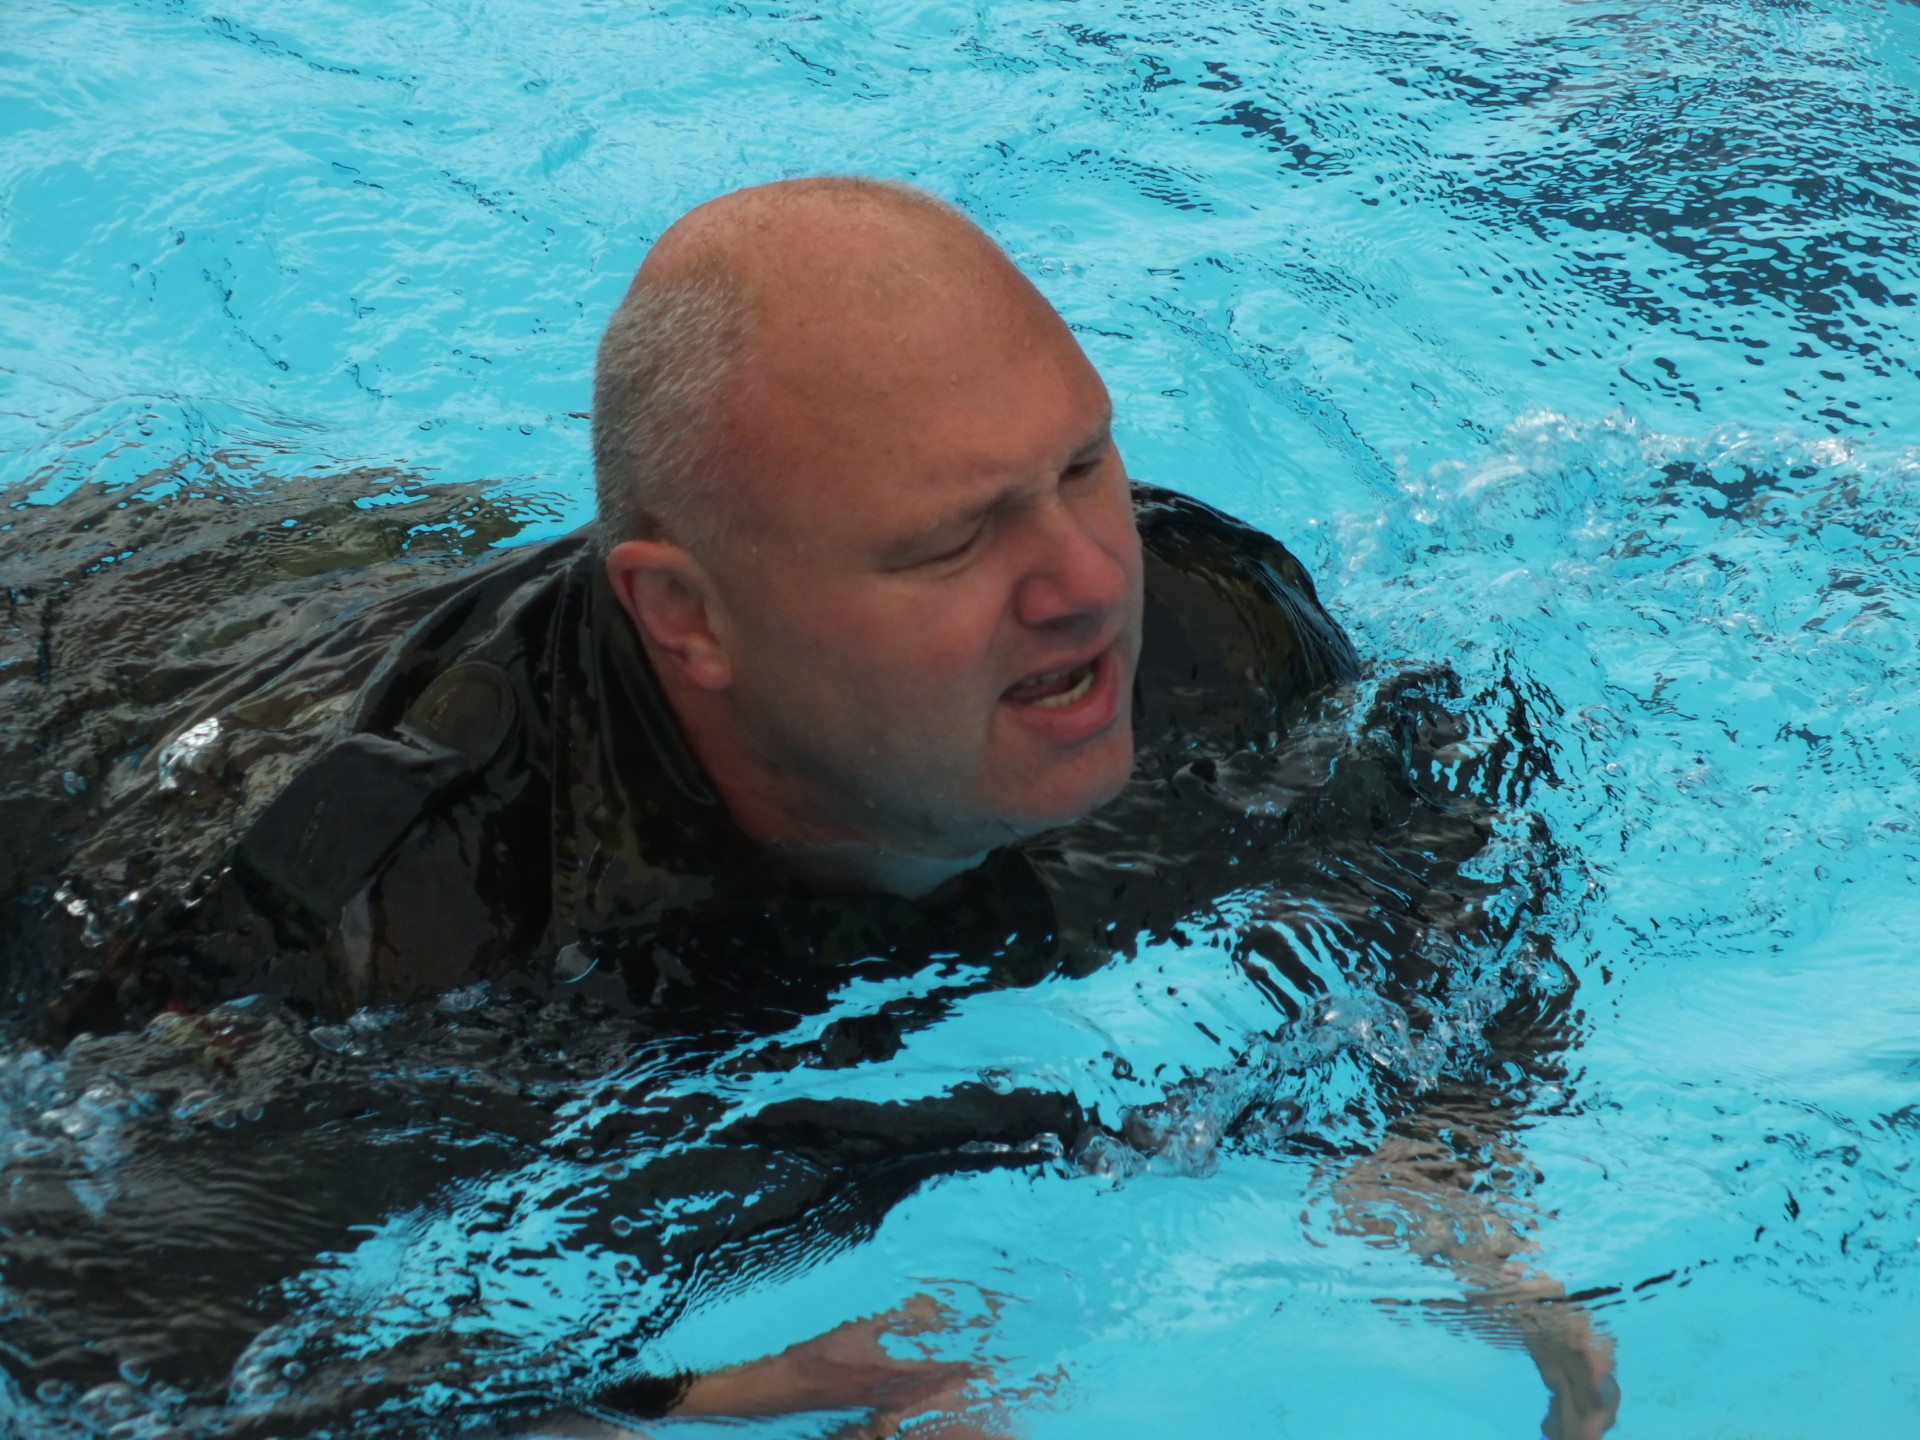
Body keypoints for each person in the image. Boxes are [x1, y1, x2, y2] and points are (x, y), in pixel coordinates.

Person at [2, 179, 1613, 1439]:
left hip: (382, 560)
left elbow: (1433, 820)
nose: (1084, 584)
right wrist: (653, 1405)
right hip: (83, 677)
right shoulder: (397, 922)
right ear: (686, 615)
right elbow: (85, 1340)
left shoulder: (1206, 633)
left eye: (1085, 463)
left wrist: (1440, 1139)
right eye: (950, 543)